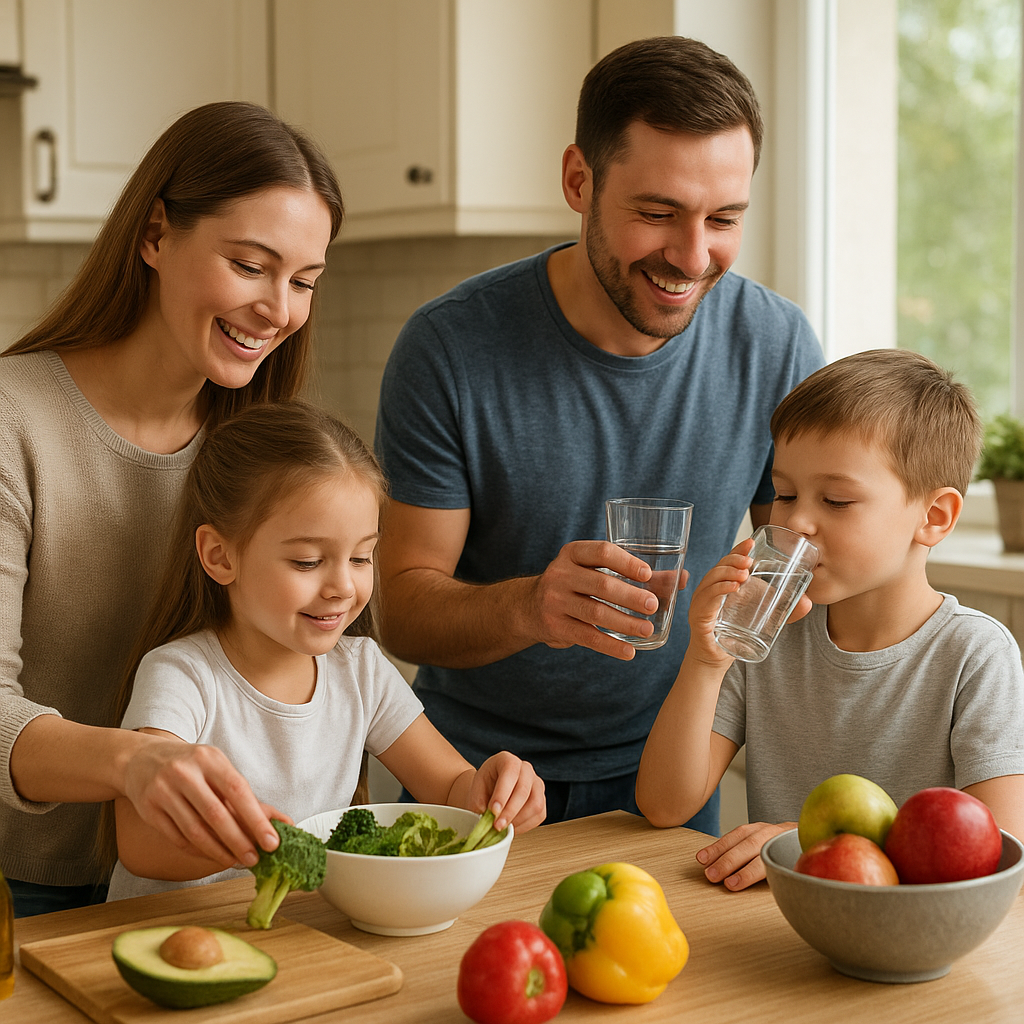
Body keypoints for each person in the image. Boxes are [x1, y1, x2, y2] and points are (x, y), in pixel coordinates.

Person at [373, 36, 824, 829]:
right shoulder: (450, 348)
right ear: (578, 181)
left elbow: (797, 581)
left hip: (673, 783)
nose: (692, 256)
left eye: (723, 219)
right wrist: (530, 607)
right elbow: (399, 611)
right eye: (657, 214)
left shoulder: (777, 346)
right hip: (475, 784)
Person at [0, 100, 344, 916]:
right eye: (251, 265)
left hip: (207, 893)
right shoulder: (15, 421)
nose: (279, 311)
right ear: (155, 235)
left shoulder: (259, 451)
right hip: (25, 894)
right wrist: (133, 763)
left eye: (303, 281)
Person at [105, 401, 545, 899]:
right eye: (307, 561)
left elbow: (450, 789)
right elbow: (140, 843)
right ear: (220, 556)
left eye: (361, 557)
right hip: (170, 935)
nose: (342, 586)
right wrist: (269, 845)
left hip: (298, 936)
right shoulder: (181, 676)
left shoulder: (361, 672)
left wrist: (494, 792)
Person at [636, 349, 1024, 890]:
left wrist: (814, 847)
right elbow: (663, 804)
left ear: (934, 518)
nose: (795, 521)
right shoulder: (769, 634)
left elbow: (1000, 859)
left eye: (836, 500)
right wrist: (706, 659)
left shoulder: (976, 655)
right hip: (775, 935)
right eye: (785, 494)